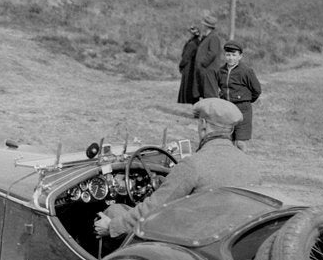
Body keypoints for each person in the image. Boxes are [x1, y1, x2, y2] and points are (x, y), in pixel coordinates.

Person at [94, 98, 261, 238]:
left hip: (189, 240)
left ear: (203, 124)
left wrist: (113, 226)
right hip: (228, 239)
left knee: (114, 211)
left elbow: (154, 208)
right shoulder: (251, 164)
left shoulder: (193, 165)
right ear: (231, 129)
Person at [218, 40, 262, 151]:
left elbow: (257, 90)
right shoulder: (220, 71)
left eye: (234, 55)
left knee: (240, 142)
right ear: (224, 55)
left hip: (243, 110)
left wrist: (246, 100)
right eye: (228, 55)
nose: (231, 58)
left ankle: (244, 165)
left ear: (240, 56)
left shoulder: (246, 71)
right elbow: (220, 88)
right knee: (228, 141)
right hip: (227, 109)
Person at [193, 12, 223, 99]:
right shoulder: (208, 37)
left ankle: (212, 112)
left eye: (204, 25)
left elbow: (212, 52)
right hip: (205, 70)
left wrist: (203, 63)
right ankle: (206, 112)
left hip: (209, 70)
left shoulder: (213, 37)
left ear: (207, 26)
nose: (202, 26)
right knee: (204, 93)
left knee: (210, 94)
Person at [176, 24, 201, 104]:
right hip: (192, 67)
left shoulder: (192, 44)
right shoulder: (197, 42)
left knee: (189, 87)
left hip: (189, 67)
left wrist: (181, 65)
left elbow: (186, 57)